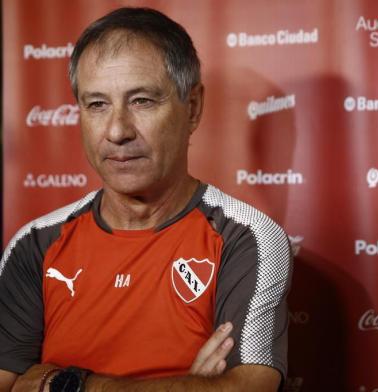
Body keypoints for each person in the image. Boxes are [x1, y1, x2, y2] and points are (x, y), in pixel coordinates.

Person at [0, 7, 292, 392]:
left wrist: (68, 383)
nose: (117, 130)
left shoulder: (247, 239)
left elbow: (247, 388)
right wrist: (189, 385)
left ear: (193, 108)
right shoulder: (34, 245)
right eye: (97, 104)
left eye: (141, 101)